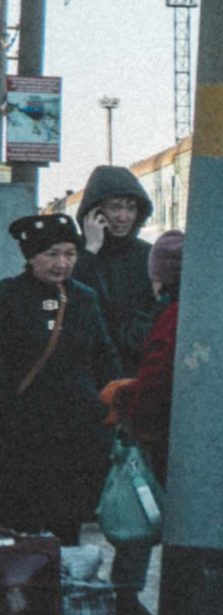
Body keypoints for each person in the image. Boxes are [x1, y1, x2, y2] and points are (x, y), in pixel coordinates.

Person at [103, 232, 223, 560]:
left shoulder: (176, 317)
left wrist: (125, 398)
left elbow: (157, 385)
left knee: (200, 550)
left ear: (163, 279)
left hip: (204, 453)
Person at [73, 166, 159, 615]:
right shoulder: (78, 256)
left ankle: (127, 595)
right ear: (96, 212)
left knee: (134, 495)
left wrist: (114, 335)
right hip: (83, 395)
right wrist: (88, 251)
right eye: (114, 207)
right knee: (73, 497)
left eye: (130, 207)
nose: (123, 216)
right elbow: (72, 301)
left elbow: (153, 316)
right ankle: (68, 587)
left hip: (127, 391)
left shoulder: (146, 259)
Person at [0, 214, 116, 545]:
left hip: (76, 437)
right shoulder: (7, 297)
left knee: (67, 525)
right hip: (20, 439)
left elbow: (104, 358)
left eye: (69, 254)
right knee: (19, 529)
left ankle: (60, 593)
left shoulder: (84, 298)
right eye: (51, 253)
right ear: (30, 256)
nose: (61, 263)